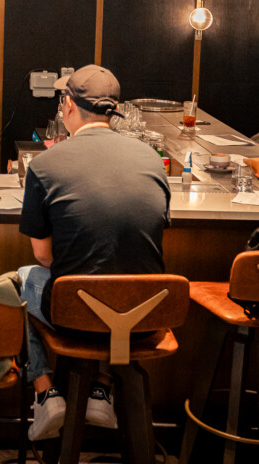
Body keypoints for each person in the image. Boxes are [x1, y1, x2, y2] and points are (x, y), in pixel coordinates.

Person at [17, 65, 170, 441]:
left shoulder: (45, 164)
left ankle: (45, 392)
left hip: (75, 315)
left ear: (68, 106)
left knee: (19, 281)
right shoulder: (152, 159)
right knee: (115, 274)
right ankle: (101, 387)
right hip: (146, 316)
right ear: (113, 111)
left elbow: (43, 256)